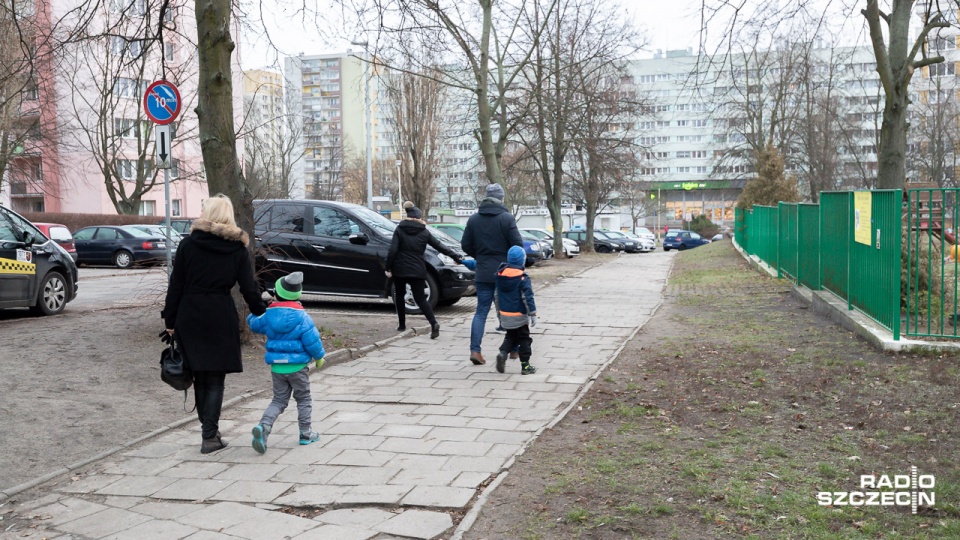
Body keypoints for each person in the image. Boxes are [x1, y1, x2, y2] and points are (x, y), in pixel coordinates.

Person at [162, 194, 267, 454]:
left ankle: (209, 432)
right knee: (216, 379)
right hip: (220, 314)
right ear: (228, 216)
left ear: (207, 214)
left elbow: (175, 285)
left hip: (190, 314)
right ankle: (210, 435)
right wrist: (261, 311)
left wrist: (170, 320)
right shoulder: (238, 249)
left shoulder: (188, 245)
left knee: (199, 376)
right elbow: (248, 288)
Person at [247, 271, 325, 454]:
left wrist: (256, 308)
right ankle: (305, 433)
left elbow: (254, 324)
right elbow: (312, 341)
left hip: (277, 367)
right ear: (298, 294)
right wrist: (320, 357)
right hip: (297, 367)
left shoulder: (268, 315)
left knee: (279, 400)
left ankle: (264, 426)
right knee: (303, 399)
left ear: (276, 293)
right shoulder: (303, 317)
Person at [461, 183, 524, 365]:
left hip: (482, 272)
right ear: (501, 198)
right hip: (504, 272)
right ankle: (513, 349)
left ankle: (475, 350)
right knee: (505, 311)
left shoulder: (474, 219)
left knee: (481, 312)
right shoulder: (506, 219)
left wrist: (480, 256)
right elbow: (517, 244)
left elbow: (465, 245)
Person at [386, 201, 465, 338]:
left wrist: (388, 267)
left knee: (399, 295)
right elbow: (440, 246)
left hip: (400, 269)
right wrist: (456, 256)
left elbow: (393, 250)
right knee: (421, 299)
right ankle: (433, 323)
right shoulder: (424, 232)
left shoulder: (399, 229)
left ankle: (401, 325)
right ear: (418, 218)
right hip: (418, 268)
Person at [495, 246, 538, 375]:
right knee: (524, 339)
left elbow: (496, 296)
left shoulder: (500, 275)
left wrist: (499, 313)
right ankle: (525, 366)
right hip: (519, 314)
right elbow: (527, 297)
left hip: (505, 313)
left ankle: (503, 353)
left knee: (511, 336)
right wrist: (533, 313)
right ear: (522, 261)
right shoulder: (522, 277)